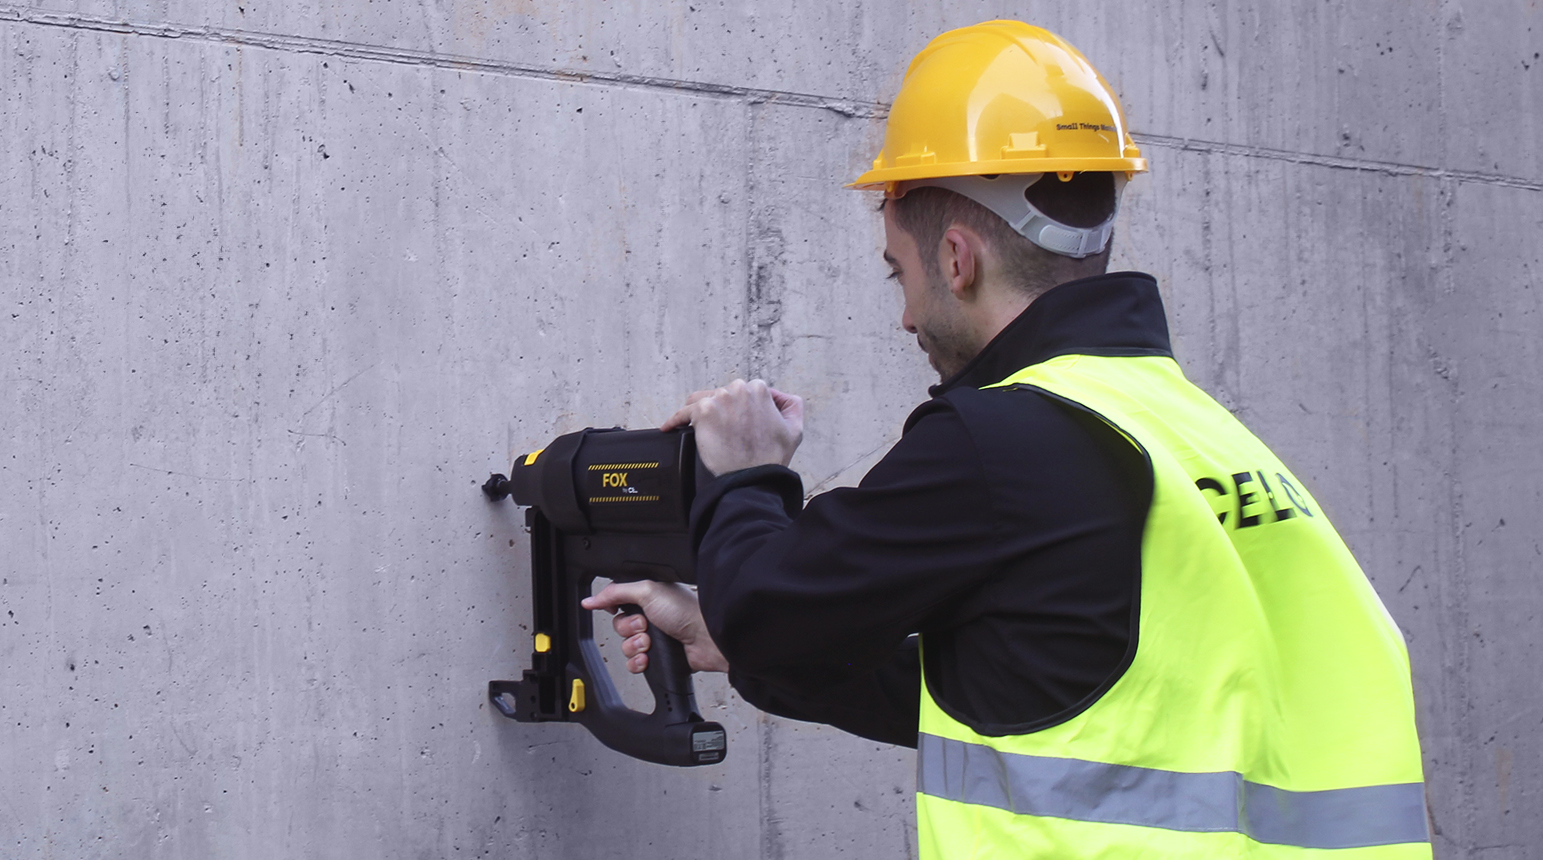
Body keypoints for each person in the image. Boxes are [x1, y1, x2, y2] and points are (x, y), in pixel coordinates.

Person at [586, 20, 1432, 859]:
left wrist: (745, 473)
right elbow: (1041, 690)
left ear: (957, 260)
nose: (907, 315)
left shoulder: (1004, 437)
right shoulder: (1190, 429)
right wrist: (723, 641)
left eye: (901, 274)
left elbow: (772, 614)